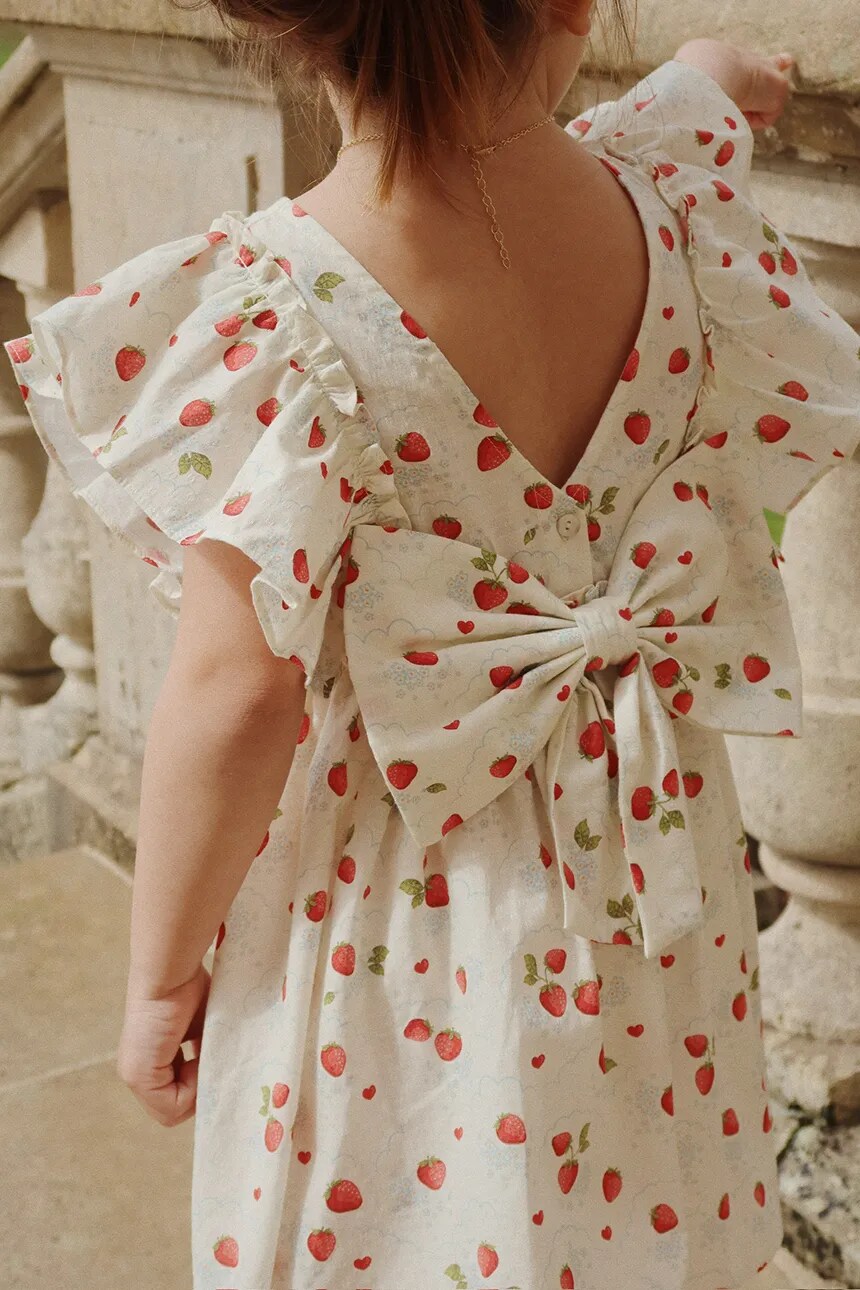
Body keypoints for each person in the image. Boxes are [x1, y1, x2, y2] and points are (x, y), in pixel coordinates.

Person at [4, 2, 859, 1287]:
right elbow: (678, 107)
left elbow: (236, 694)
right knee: (635, 1192)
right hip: (648, 865)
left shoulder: (273, 312)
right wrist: (715, 72)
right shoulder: (665, 211)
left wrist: (160, 977)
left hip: (404, 903)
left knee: (424, 1211)